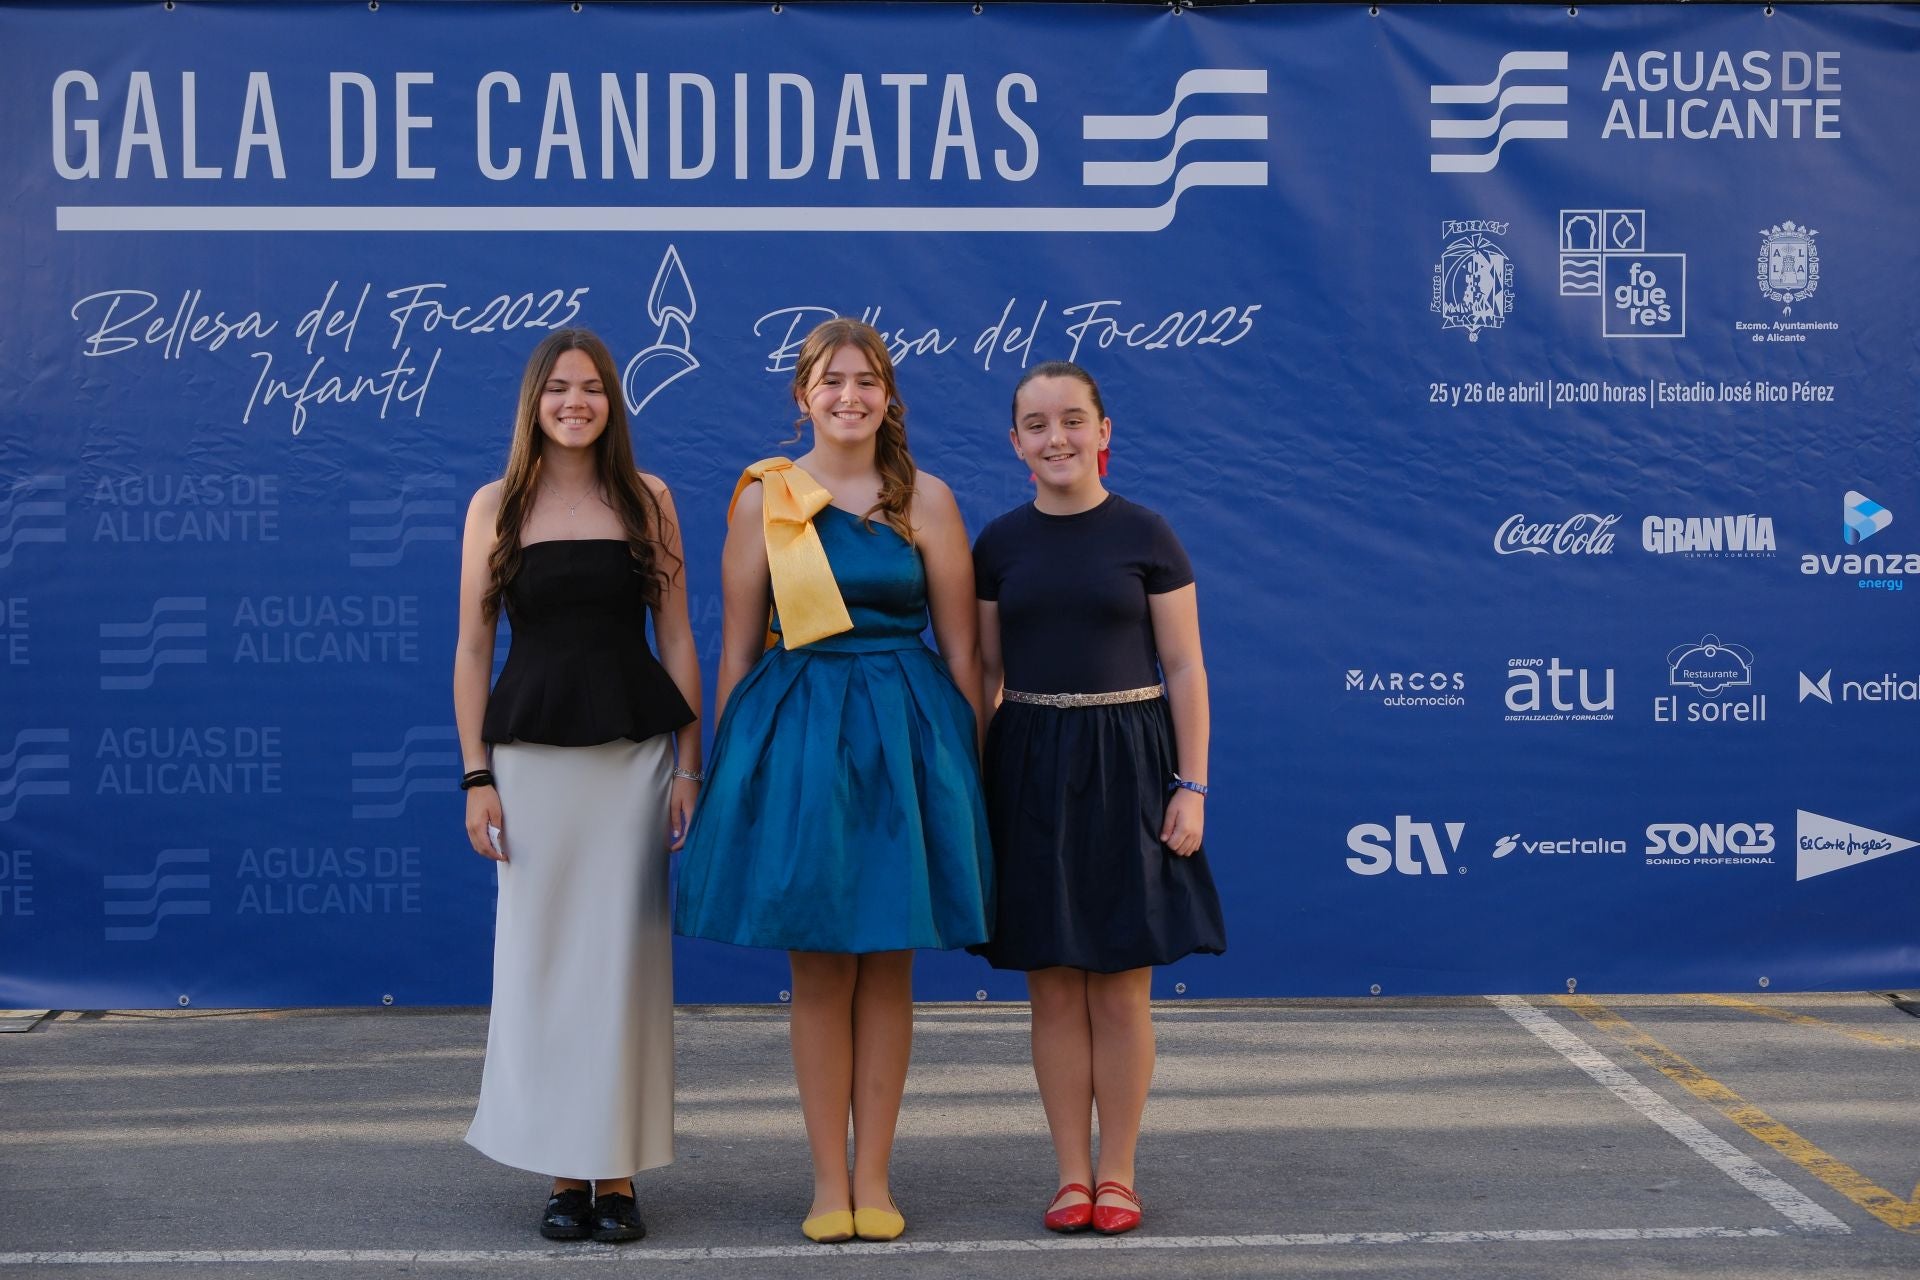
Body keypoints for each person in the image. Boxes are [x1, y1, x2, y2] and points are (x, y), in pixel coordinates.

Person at [674, 317, 992, 1245]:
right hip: (799, 738)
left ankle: (874, 1177)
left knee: (887, 961)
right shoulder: (761, 500)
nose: (848, 396)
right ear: (801, 396)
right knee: (817, 966)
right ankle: (825, 1182)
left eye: (866, 381)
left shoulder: (926, 500)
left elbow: (964, 652)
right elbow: (736, 647)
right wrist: (731, 767)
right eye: (829, 382)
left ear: (889, 397)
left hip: (906, 735)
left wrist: (968, 772)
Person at [453, 328, 703, 1244]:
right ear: (534, 401)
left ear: (613, 403)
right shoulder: (495, 505)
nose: (575, 402)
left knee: (624, 965)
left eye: (592, 388)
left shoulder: (651, 500)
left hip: (635, 759)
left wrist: (689, 762)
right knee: (544, 962)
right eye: (558, 388)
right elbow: (473, 651)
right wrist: (477, 775)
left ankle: (619, 1176)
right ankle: (564, 1174)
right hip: (527, 764)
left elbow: (677, 640)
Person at [970, 361, 1226, 1236]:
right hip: (1030, 768)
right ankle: (1069, 1176)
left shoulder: (1149, 535)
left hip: (1130, 765)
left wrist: (1190, 786)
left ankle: (1117, 1173)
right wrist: (975, 788)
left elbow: (1186, 669)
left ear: (1105, 432)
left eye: (1073, 420)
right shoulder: (998, 545)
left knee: (1120, 990)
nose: (1057, 438)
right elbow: (985, 678)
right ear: (1015, 444)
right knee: (1051, 989)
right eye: (1037, 425)